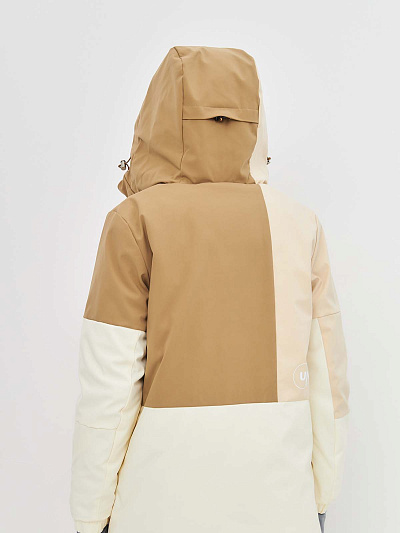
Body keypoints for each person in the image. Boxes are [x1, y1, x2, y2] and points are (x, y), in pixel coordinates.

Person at [70, 46, 349, 533]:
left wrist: (90, 515)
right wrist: (321, 495)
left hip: (158, 504)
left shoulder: (133, 221)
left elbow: (108, 384)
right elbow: (327, 373)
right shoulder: (300, 224)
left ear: (159, 116)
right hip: (280, 502)